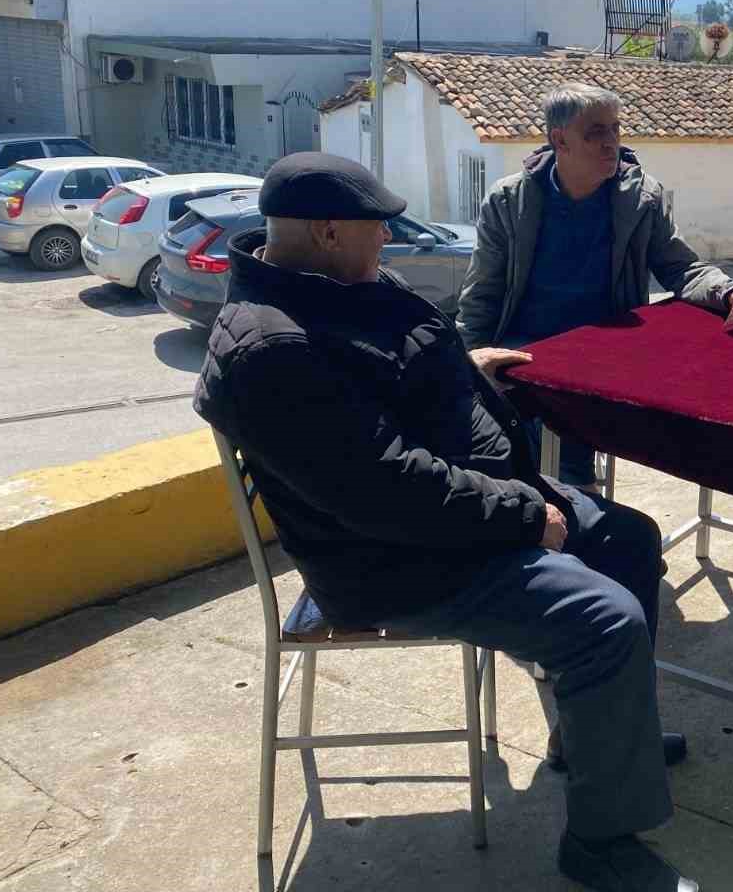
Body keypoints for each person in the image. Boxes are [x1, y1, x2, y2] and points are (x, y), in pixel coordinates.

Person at [194, 153, 699, 892]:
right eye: (377, 230)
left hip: (455, 514)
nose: (388, 244)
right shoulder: (274, 347)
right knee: (605, 621)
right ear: (330, 231)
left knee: (630, 538)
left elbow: (397, 376)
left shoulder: (340, 287)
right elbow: (382, 490)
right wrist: (527, 516)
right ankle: (600, 843)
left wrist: (467, 367)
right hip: (392, 560)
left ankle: (590, 738)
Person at [457, 81, 733, 491]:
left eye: (615, 129)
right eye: (596, 132)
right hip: (525, 352)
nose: (611, 143)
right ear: (559, 140)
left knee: (565, 473)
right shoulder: (509, 201)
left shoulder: (641, 197)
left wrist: (730, 293)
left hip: (600, 362)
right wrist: (469, 363)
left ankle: (573, 508)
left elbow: (682, 268)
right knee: (520, 466)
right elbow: (482, 294)